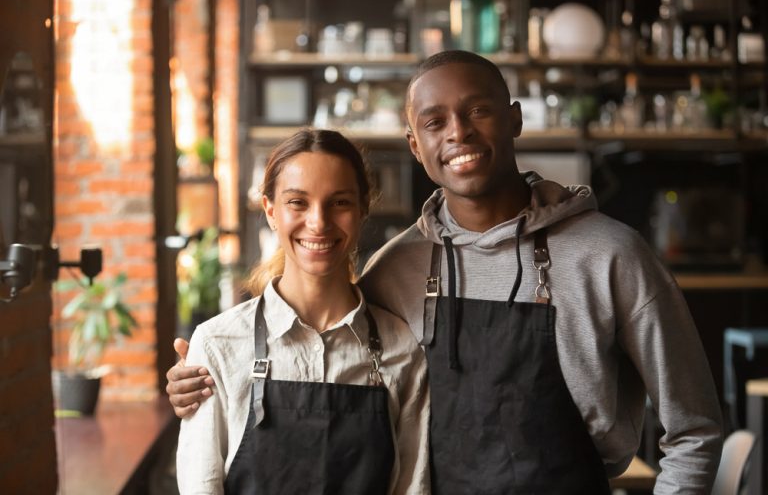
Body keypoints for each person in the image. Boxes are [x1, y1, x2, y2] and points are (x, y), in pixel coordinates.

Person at [168, 51, 723, 493]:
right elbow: (326, 358)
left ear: (514, 119)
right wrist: (203, 376)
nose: (457, 132)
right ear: (416, 145)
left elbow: (694, 429)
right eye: (435, 122)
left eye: (477, 110)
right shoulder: (397, 270)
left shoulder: (612, 255)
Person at [175, 129, 430, 494]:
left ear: (362, 210)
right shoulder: (217, 344)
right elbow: (201, 485)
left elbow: (412, 487)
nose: (318, 222)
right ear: (270, 211)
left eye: (339, 202)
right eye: (298, 202)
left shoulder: (402, 348)